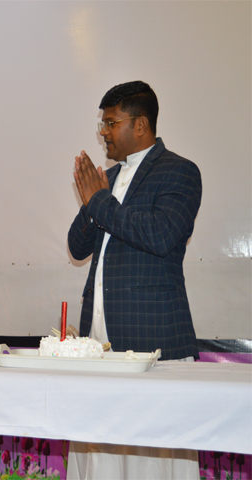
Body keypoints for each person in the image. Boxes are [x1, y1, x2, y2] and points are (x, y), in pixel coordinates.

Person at [67, 81, 202, 478]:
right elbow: (77, 247)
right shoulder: (107, 178)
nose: (103, 132)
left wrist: (100, 201)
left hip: (152, 343)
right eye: (102, 124)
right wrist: (91, 204)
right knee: (101, 458)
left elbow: (160, 235)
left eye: (111, 123)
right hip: (99, 347)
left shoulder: (179, 171)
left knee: (152, 460)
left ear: (140, 125)